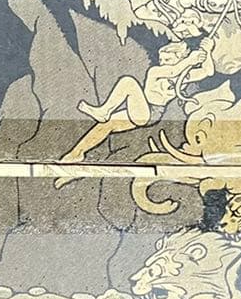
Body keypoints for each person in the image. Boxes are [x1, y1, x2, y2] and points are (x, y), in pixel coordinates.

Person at [54, 37, 215, 189]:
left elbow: (208, 72)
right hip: (141, 109)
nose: (162, 62)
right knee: (106, 125)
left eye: (167, 59)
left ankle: (104, 110)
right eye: (161, 59)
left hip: (150, 113)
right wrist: (191, 60)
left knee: (128, 83)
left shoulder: (184, 77)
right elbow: (173, 71)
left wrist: (207, 51)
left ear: (179, 58)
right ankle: (76, 154)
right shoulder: (156, 71)